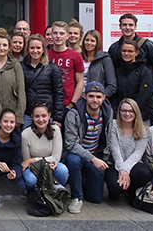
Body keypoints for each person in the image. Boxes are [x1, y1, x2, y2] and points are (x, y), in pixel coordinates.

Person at [64, 82, 113, 213]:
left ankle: (79, 185)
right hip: (77, 153)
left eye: (98, 97)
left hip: (96, 152)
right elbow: (71, 144)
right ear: (85, 96)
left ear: (104, 97)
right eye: (91, 96)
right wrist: (92, 159)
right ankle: (76, 197)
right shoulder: (73, 114)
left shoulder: (108, 114)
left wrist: (103, 159)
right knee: (73, 161)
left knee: (96, 198)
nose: (95, 100)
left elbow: (108, 139)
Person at [104, 98, 151, 201]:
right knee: (115, 186)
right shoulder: (113, 125)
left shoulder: (144, 129)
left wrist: (125, 169)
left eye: (130, 111)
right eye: (124, 110)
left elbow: (138, 152)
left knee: (144, 174)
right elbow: (115, 150)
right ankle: (117, 191)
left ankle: (132, 190)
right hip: (114, 163)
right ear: (119, 112)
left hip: (134, 163)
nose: (127, 114)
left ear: (136, 112)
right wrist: (122, 169)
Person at [21, 103, 67, 190]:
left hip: (51, 166)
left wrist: (33, 160)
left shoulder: (55, 130)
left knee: (62, 170)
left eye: (44, 116)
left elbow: (56, 158)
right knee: (30, 180)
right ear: (32, 116)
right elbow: (26, 162)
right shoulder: (25, 134)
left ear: (49, 116)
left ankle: (54, 192)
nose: (40, 119)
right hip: (33, 169)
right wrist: (43, 165)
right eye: (37, 116)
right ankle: (37, 193)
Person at [21, 34, 64, 128]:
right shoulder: (21, 67)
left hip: (46, 115)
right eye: (32, 48)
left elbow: (58, 93)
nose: (35, 51)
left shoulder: (52, 68)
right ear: (28, 49)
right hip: (27, 114)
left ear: (43, 49)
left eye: (38, 48)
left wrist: (58, 118)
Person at [107, 13, 153, 82]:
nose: (127, 28)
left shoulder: (147, 45)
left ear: (135, 27)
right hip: (120, 90)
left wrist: (151, 87)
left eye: (131, 25)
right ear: (120, 26)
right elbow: (109, 71)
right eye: (124, 25)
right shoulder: (114, 48)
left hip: (142, 89)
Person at [111, 38, 153, 124]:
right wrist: (118, 112)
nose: (126, 54)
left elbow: (144, 94)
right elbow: (114, 95)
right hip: (120, 117)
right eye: (124, 51)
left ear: (136, 53)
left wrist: (132, 111)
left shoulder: (144, 71)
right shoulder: (117, 71)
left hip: (140, 117)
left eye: (130, 51)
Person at [48, 21, 85, 109]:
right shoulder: (45, 55)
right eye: (55, 33)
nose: (58, 36)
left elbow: (80, 82)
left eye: (61, 33)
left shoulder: (76, 56)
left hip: (68, 104)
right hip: (48, 104)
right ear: (51, 35)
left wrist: (73, 102)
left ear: (67, 36)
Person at [81, 30, 117, 97]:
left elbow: (112, 86)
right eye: (87, 40)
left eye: (92, 41)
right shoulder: (78, 57)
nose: (89, 43)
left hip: (96, 102)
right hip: (78, 100)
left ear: (97, 43)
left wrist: (99, 97)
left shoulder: (105, 59)